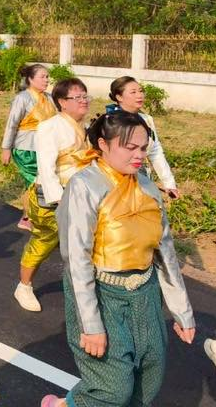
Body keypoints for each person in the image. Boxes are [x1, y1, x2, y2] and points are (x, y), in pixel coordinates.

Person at [41, 111, 195, 407]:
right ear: (103, 144)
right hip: (101, 293)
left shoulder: (148, 186)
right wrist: (91, 325)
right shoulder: (85, 185)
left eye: (143, 147)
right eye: (130, 147)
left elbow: (165, 253)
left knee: (148, 378)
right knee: (112, 389)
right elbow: (77, 259)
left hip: (145, 294)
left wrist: (182, 311)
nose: (139, 155)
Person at [14, 78, 92, 313]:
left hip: (80, 196)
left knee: (83, 244)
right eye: (76, 97)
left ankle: (84, 290)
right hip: (52, 198)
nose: (82, 101)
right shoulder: (49, 127)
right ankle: (24, 286)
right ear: (62, 102)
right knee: (44, 242)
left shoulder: (86, 127)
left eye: (84, 96)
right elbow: (46, 169)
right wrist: (59, 201)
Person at [1, 65, 57, 231]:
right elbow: (12, 124)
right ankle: (27, 217)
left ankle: (36, 216)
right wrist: (6, 148)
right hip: (26, 147)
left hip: (45, 147)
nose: (46, 80)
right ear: (30, 79)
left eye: (47, 77)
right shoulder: (22, 98)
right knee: (33, 182)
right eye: (42, 77)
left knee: (42, 182)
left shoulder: (49, 98)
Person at [107, 76, 180, 198]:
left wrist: (169, 183)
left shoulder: (147, 120)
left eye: (141, 91)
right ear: (119, 97)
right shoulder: (111, 121)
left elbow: (155, 151)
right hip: (117, 182)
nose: (139, 95)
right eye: (133, 92)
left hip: (143, 178)